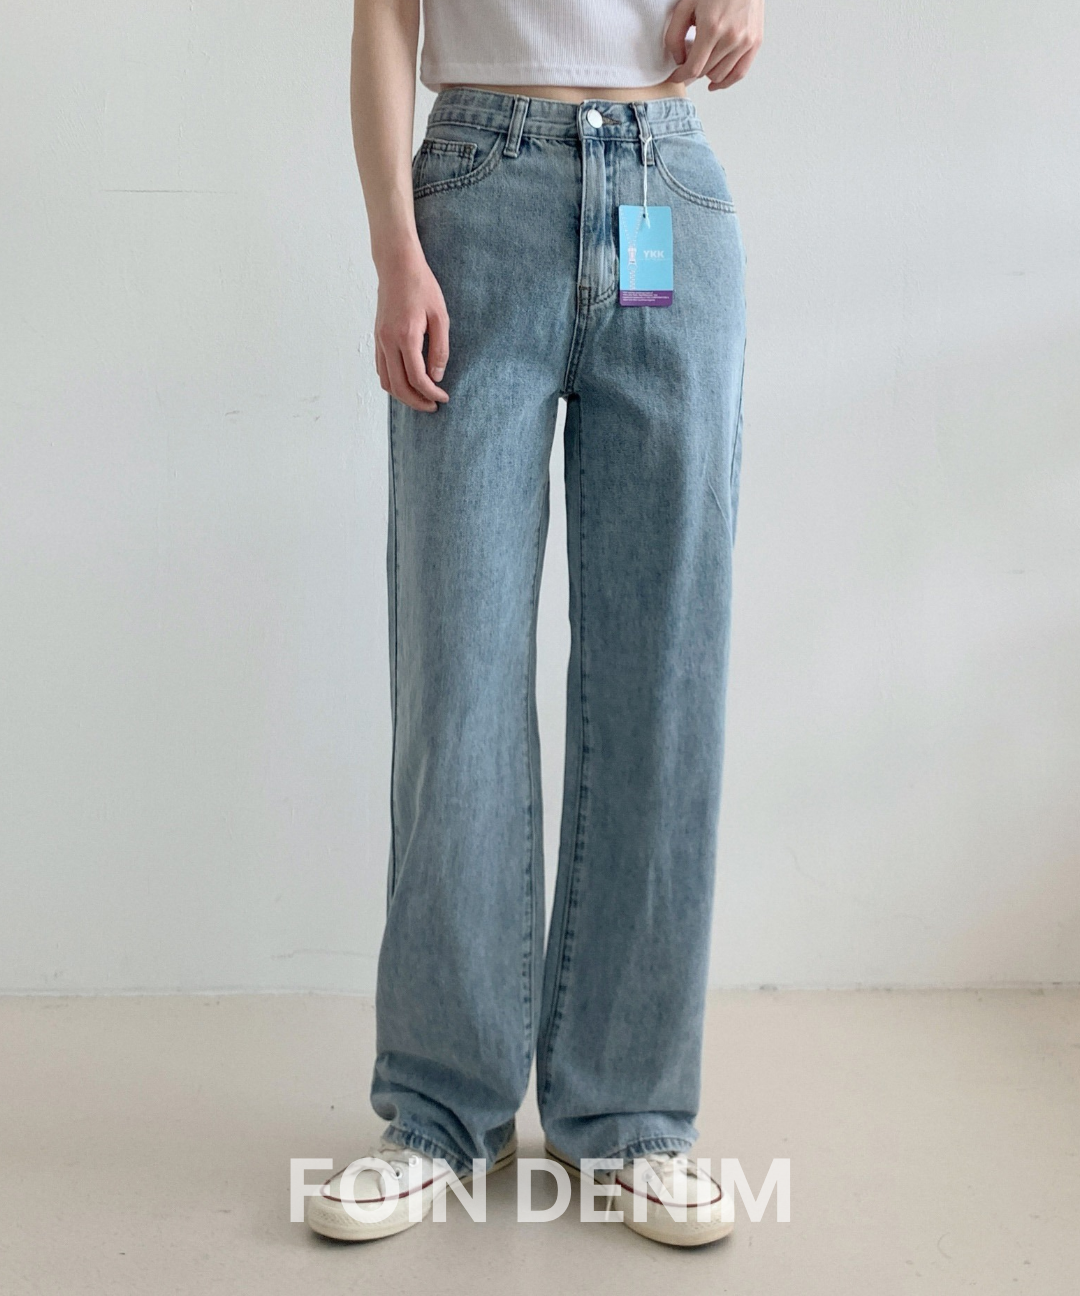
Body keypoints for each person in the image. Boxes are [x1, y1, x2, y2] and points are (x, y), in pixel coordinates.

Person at [306, 0, 763, 1248]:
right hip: (476, 194)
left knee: (663, 675)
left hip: (665, 184)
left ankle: (630, 1114)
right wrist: (395, 251)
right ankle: (439, 1110)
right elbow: (385, 17)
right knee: (454, 680)